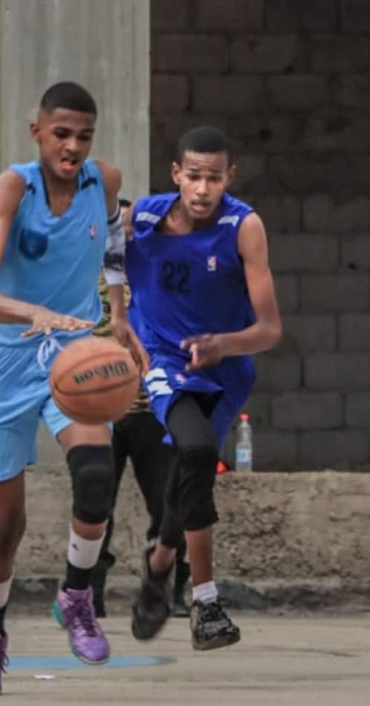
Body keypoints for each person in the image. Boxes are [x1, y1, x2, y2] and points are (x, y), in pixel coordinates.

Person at [0, 81, 147, 696]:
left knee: (95, 478)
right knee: (5, 528)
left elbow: (114, 246)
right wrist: (30, 312)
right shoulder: (14, 186)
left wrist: (117, 315)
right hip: (4, 360)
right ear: (36, 130)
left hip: (72, 352)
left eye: (84, 137)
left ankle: (76, 595)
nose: (73, 147)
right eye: (61, 134)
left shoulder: (106, 181)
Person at [112, 126, 282, 651]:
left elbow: (270, 330)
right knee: (200, 451)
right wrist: (118, 314)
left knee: (189, 469)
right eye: (194, 176)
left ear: (229, 178)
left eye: (214, 178)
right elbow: (104, 248)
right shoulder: (138, 217)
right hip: (165, 357)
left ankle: (160, 562)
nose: (203, 188)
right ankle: (206, 603)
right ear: (176, 175)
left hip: (224, 368)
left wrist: (223, 346)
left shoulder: (243, 226)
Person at [89, 200, 189, 619]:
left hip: (154, 409)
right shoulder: (87, 281)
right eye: (119, 227)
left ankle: (171, 590)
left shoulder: (161, 276)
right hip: (101, 411)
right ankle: (88, 595)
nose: (126, 233)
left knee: (170, 505)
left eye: (133, 226)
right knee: (95, 507)